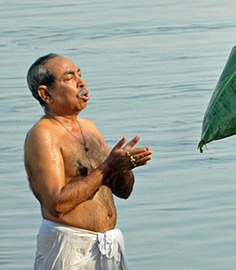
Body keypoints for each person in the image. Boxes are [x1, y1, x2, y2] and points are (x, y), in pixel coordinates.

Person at [24, 53, 153, 269]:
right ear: (45, 94)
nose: (81, 83)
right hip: (68, 246)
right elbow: (57, 204)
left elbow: (123, 192)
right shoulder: (43, 134)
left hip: (108, 245)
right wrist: (107, 167)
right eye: (69, 78)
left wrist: (123, 169)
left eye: (80, 75)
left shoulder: (89, 127)